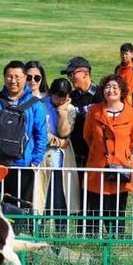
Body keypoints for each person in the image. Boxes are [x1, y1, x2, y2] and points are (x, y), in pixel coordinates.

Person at [0, 60, 47, 203]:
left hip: (23, 165)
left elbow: (41, 135)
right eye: (9, 76)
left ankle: (18, 226)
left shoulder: (35, 104)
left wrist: (35, 160)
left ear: (25, 78)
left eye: (17, 77)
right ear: (4, 78)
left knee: (18, 209)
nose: (13, 80)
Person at [84, 74, 133, 235]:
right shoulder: (93, 111)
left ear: (122, 91)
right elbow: (87, 136)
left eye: (115, 87)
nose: (111, 90)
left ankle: (117, 239)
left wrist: (120, 153)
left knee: (118, 208)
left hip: (121, 167)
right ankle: (93, 240)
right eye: (108, 87)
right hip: (97, 167)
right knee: (95, 206)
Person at [33, 78, 80, 226]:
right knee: (40, 196)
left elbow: (64, 131)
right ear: (50, 93)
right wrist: (58, 142)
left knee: (61, 196)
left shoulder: (70, 109)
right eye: (57, 95)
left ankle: (60, 230)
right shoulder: (40, 106)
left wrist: (62, 111)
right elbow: (40, 133)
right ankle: (39, 227)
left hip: (62, 159)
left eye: (64, 96)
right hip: (43, 157)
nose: (60, 99)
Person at [61, 56, 99, 168]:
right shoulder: (72, 97)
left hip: (95, 155)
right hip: (76, 154)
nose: (70, 78)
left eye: (72, 74)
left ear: (85, 74)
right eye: (68, 75)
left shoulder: (102, 95)